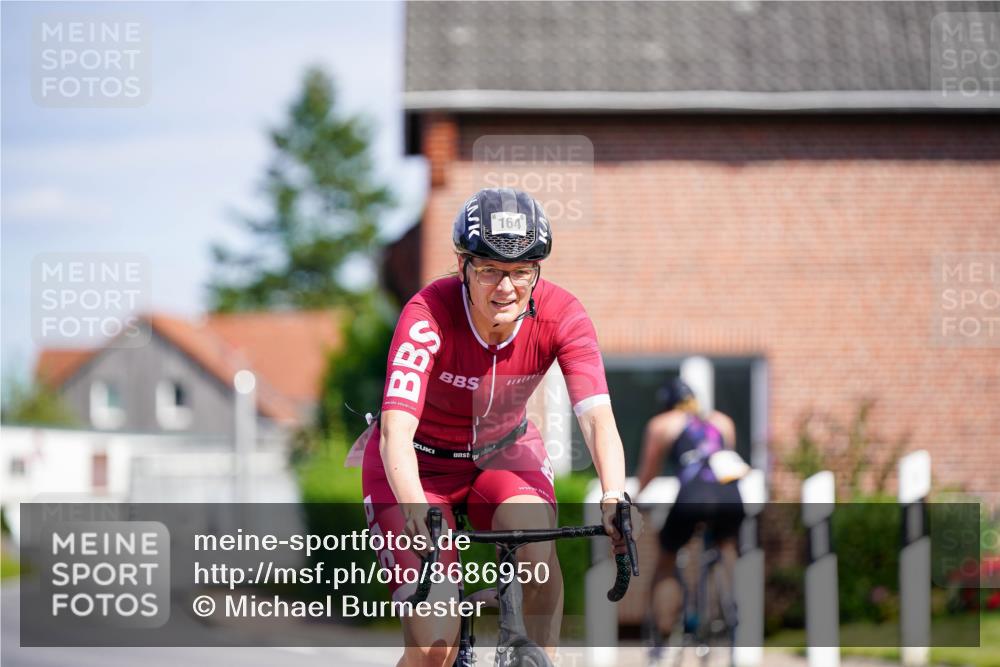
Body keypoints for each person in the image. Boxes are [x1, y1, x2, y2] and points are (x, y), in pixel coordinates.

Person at [359, 187, 634, 667]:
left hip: (502, 455)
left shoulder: (562, 315)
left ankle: (537, 660)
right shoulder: (428, 314)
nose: (505, 287)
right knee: (433, 649)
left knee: (535, 547)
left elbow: (595, 414)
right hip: (416, 466)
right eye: (489, 270)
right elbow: (395, 431)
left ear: (537, 272)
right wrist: (413, 506)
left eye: (521, 271)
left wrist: (614, 494)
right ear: (463, 265)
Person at [635, 377, 747, 656]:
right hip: (731, 496)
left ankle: (661, 636)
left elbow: (648, 474)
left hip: (693, 497)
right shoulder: (722, 421)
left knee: (667, 559)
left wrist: (634, 499)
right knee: (727, 546)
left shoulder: (662, 424)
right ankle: (732, 607)